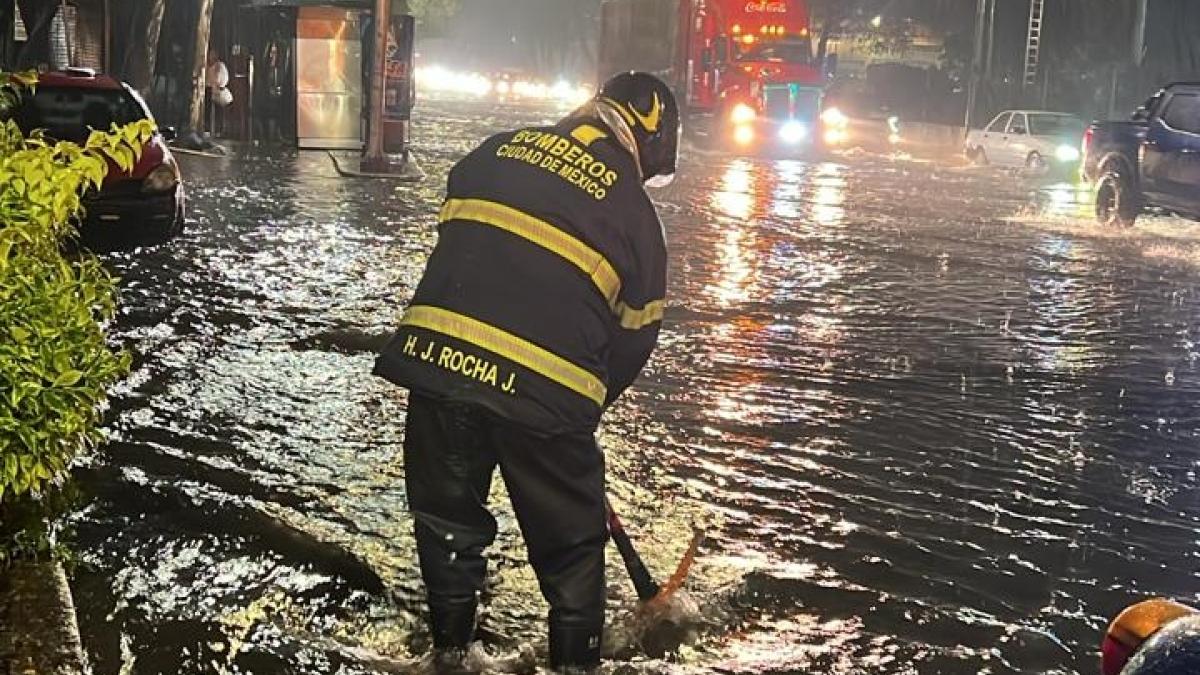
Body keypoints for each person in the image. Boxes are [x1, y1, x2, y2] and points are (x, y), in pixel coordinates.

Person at [373, 72, 680, 673]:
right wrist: (569, 412)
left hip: (437, 364)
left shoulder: (493, 151)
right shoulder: (636, 215)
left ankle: (450, 654)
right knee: (572, 552)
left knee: (447, 525)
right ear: (647, 143)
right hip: (544, 392)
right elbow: (631, 344)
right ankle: (574, 664)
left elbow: (468, 246)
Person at [204, 49, 230, 136]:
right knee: (207, 108)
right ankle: (207, 128)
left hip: (218, 91)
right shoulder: (206, 66)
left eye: (212, 54)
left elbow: (220, 79)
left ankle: (219, 130)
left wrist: (216, 85)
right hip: (208, 89)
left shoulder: (220, 66)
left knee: (218, 111)